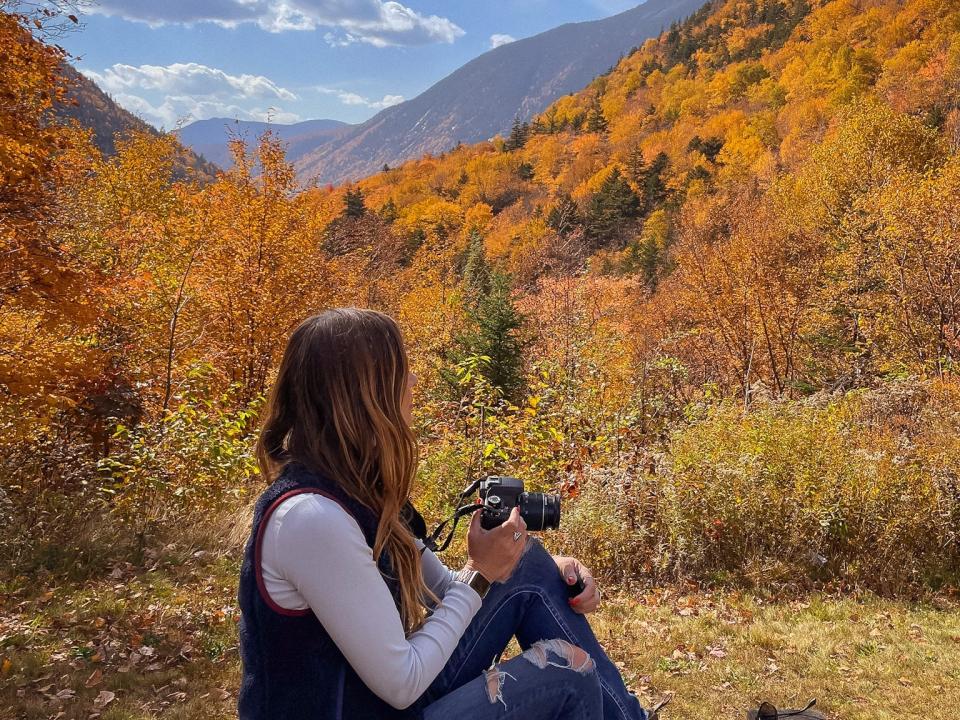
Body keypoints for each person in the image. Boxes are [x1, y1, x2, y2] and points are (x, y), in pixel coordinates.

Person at [237, 308, 650, 720]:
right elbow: (402, 681)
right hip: (386, 700)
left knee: (528, 565)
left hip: (377, 703)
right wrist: (482, 571)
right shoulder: (311, 519)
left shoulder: (355, 493)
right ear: (362, 396)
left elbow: (445, 591)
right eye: (400, 370)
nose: (413, 382)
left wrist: (515, 566)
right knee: (566, 671)